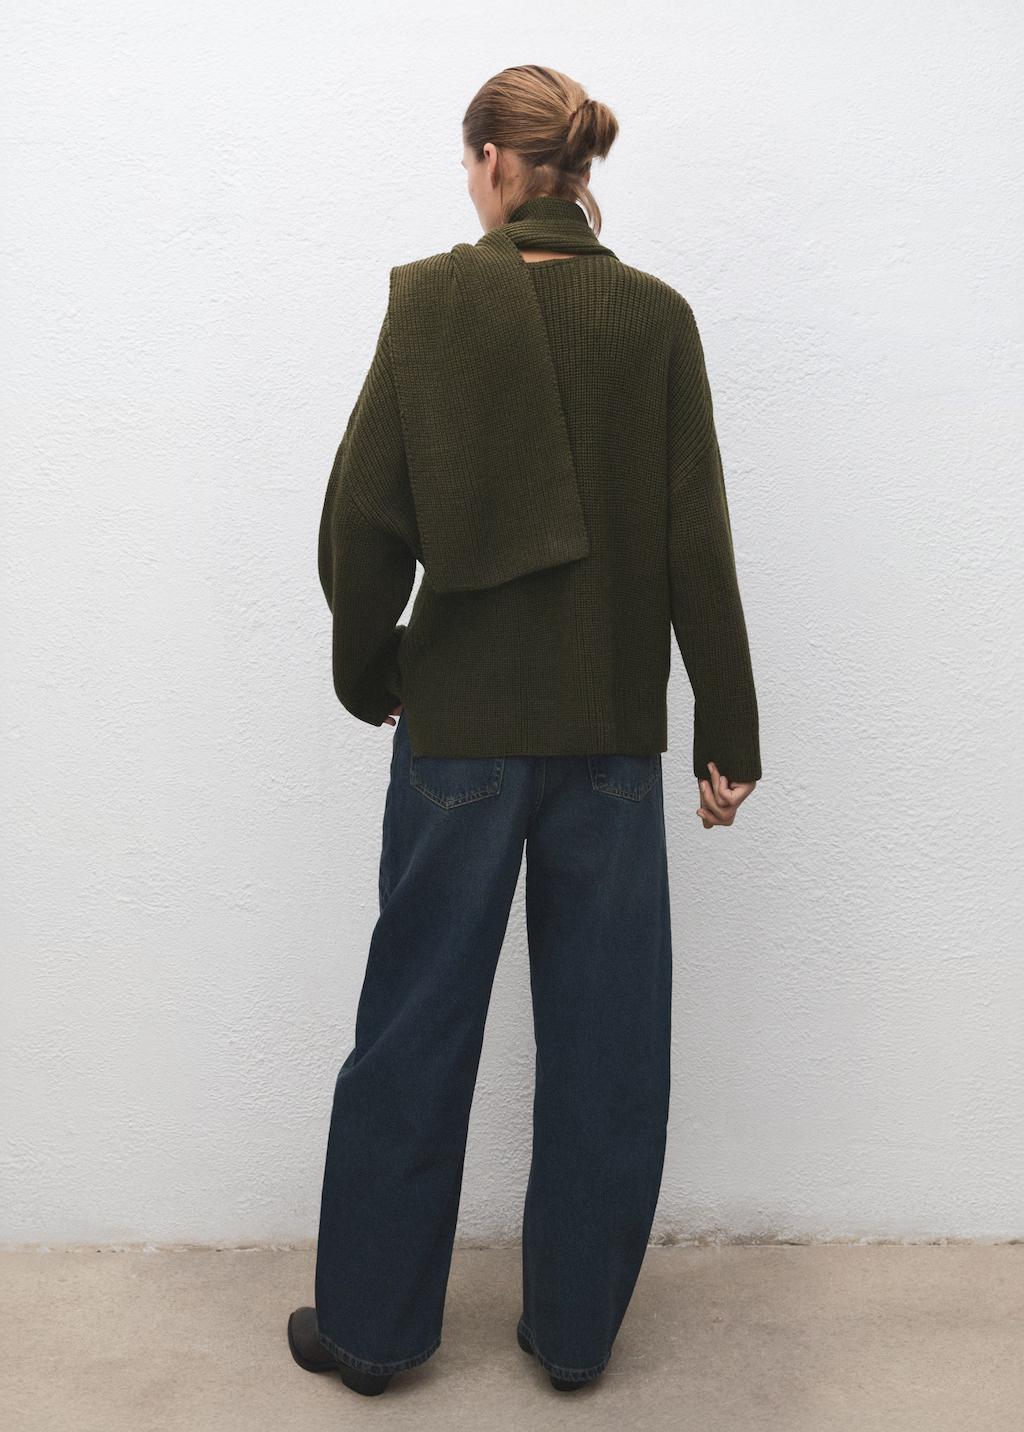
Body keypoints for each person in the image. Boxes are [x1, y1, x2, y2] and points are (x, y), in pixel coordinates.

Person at [288, 63, 761, 1398]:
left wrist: (370, 667)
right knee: (608, 1040)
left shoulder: (434, 303)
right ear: (578, 169)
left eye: (469, 164)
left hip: (460, 736)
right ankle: (573, 1339)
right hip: (608, 734)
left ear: (496, 162)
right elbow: (695, 540)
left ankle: (372, 1334)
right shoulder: (656, 319)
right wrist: (728, 730)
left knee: (414, 1028)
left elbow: (361, 518)